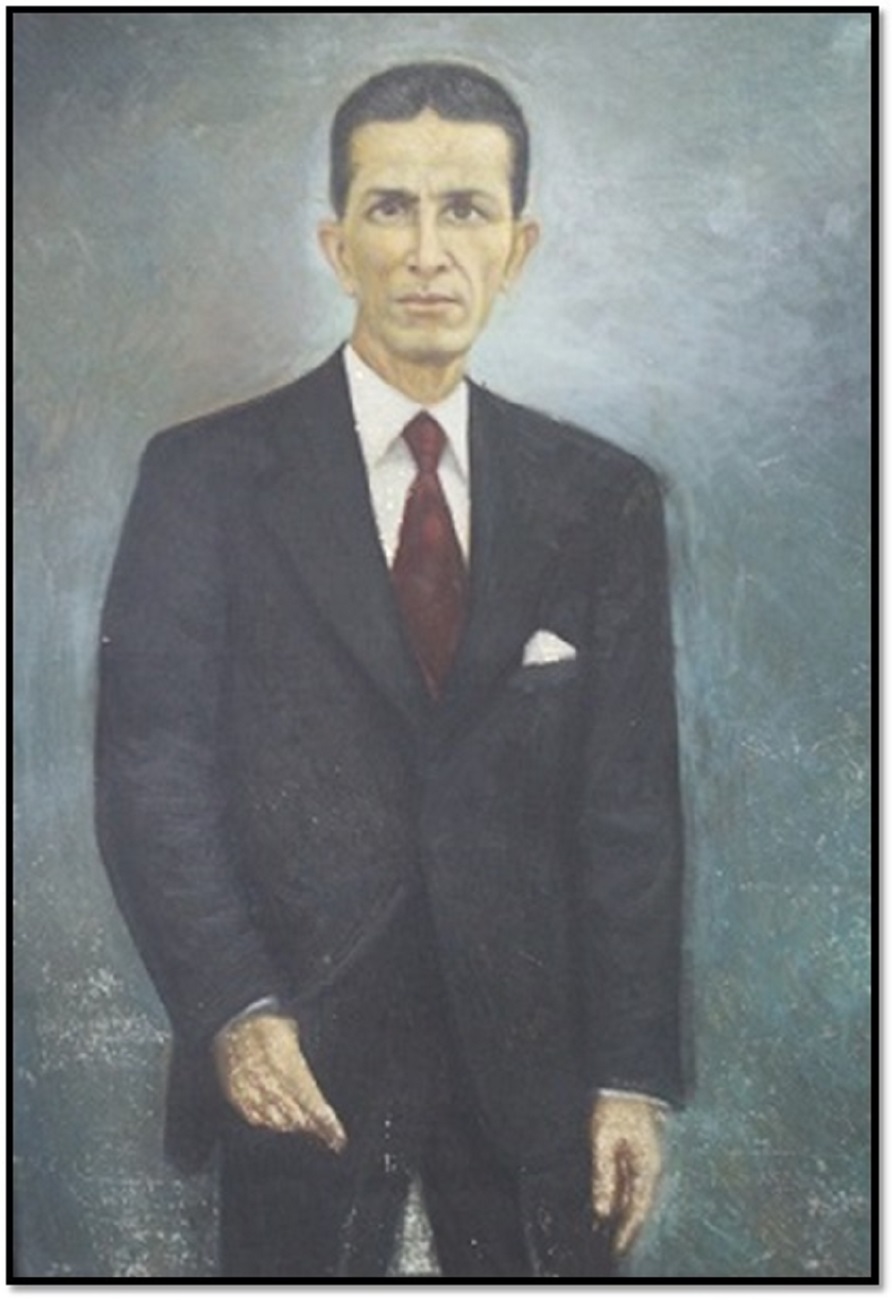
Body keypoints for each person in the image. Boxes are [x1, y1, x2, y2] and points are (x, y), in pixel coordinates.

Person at [95, 61, 687, 1279]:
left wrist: (630, 1074)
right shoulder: (205, 481)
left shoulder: (600, 500)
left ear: (517, 248)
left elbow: (627, 811)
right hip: (295, 1067)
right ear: (336, 243)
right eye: (390, 209)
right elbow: (153, 774)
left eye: (464, 210)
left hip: (535, 1089)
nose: (427, 253)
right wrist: (234, 1008)